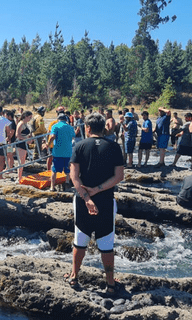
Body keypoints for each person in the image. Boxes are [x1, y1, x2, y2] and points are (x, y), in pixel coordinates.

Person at [67, 113, 124, 295]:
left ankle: (74, 276)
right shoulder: (114, 147)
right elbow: (119, 176)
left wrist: (86, 197)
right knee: (106, 244)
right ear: (105, 129)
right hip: (106, 200)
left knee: (80, 241)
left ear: (88, 128)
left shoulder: (79, 146)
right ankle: (110, 284)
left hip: (82, 200)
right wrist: (98, 190)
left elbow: (74, 176)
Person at [47, 113, 75, 192]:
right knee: (67, 170)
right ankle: (66, 184)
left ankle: (52, 187)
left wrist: (48, 144)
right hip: (68, 151)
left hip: (58, 151)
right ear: (66, 120)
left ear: (58, 119)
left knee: (54, 169)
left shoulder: (55, 126)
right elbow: (73, 137)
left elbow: (52, 136)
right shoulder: (70, 127)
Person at [15, 111, 33, 181]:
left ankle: (20, 176)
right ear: (25, 116)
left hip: (24, 142)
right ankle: (18, 177)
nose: (30, 119)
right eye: (29, 117)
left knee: (23, 161)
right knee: (21, 161)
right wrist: (26, 139)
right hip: (20, 143)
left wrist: (29, 138)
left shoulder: (25, 124)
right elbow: (17, 135)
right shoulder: (21, 123)